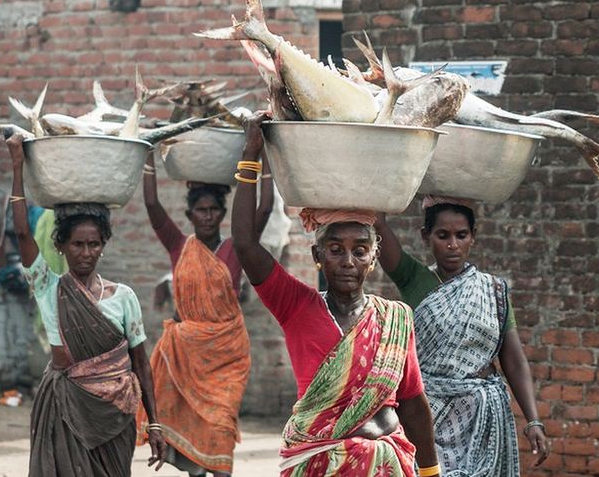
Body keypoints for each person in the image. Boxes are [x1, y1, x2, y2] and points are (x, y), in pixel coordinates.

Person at [231, 113, 442, 477]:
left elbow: (411, 401)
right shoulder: (297, 305)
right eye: (335, 249)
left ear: (373, 257)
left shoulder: (394, 318)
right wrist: (252, 154)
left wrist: (430, 472)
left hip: (386, 465)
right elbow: (246, 244)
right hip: (319, 464)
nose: (348, 260)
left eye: (360, 250)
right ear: (317, 256)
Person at [4, 133, 166, 476]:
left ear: (104, 245)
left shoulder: (124, 297)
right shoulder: (49, 287)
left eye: (94, 244)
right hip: (65, 408)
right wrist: (17, 165)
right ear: (61, 246)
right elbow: (21, 234)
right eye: (77, 244)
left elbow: (141, 363)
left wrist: (155, 424)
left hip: (115, 415)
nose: (86, 252)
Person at [374, 196, 550, 476]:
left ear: (474, 237)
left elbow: (514, 361)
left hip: (485, 417)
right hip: (430, 417)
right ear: (425, 236)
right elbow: (378, 226)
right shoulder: (413, 278)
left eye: (461, 235)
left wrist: (533, 421)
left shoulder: (494, 291)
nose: (452, 245)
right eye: (442, 235)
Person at [136, 150, 273, 476]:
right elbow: (153, 206)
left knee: (221, 429)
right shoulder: (178, 246)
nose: (208, 216)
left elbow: (264, 207)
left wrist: (261, 153)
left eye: (214, 210)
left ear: (223, 213)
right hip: (187, 357)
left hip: (227, 356)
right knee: (193, 447)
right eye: (201, 210)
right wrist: (148, 152)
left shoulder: (237, 246)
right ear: (190, 214)